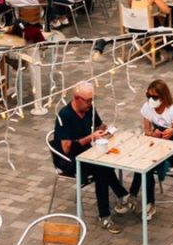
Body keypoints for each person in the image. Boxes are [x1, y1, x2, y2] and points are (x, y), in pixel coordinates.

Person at [52, 81, 129, 234]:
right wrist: (90, 137)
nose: (90, 104)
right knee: (101, 169)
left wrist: (103, 131)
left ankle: (122, 197)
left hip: (89, 153)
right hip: (69, 160)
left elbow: (99, 125)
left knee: (106, 161)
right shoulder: (65, 116)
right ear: (76, 98)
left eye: (91, 100)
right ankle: (108, 211)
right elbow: (66, 148)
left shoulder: (88, 109)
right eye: (87, 101)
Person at [116, 79, 173, 220]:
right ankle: (141, 200)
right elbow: (146, 131)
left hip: (171, 149)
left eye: (154, 97)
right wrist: (153, 134)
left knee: (147, 167)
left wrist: (172, 131)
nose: (151, 99)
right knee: (142, 162)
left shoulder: (171, 111)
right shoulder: (147, 107)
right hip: (155, 146)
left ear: (163, 97)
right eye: (148, 96)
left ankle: (140, 199)